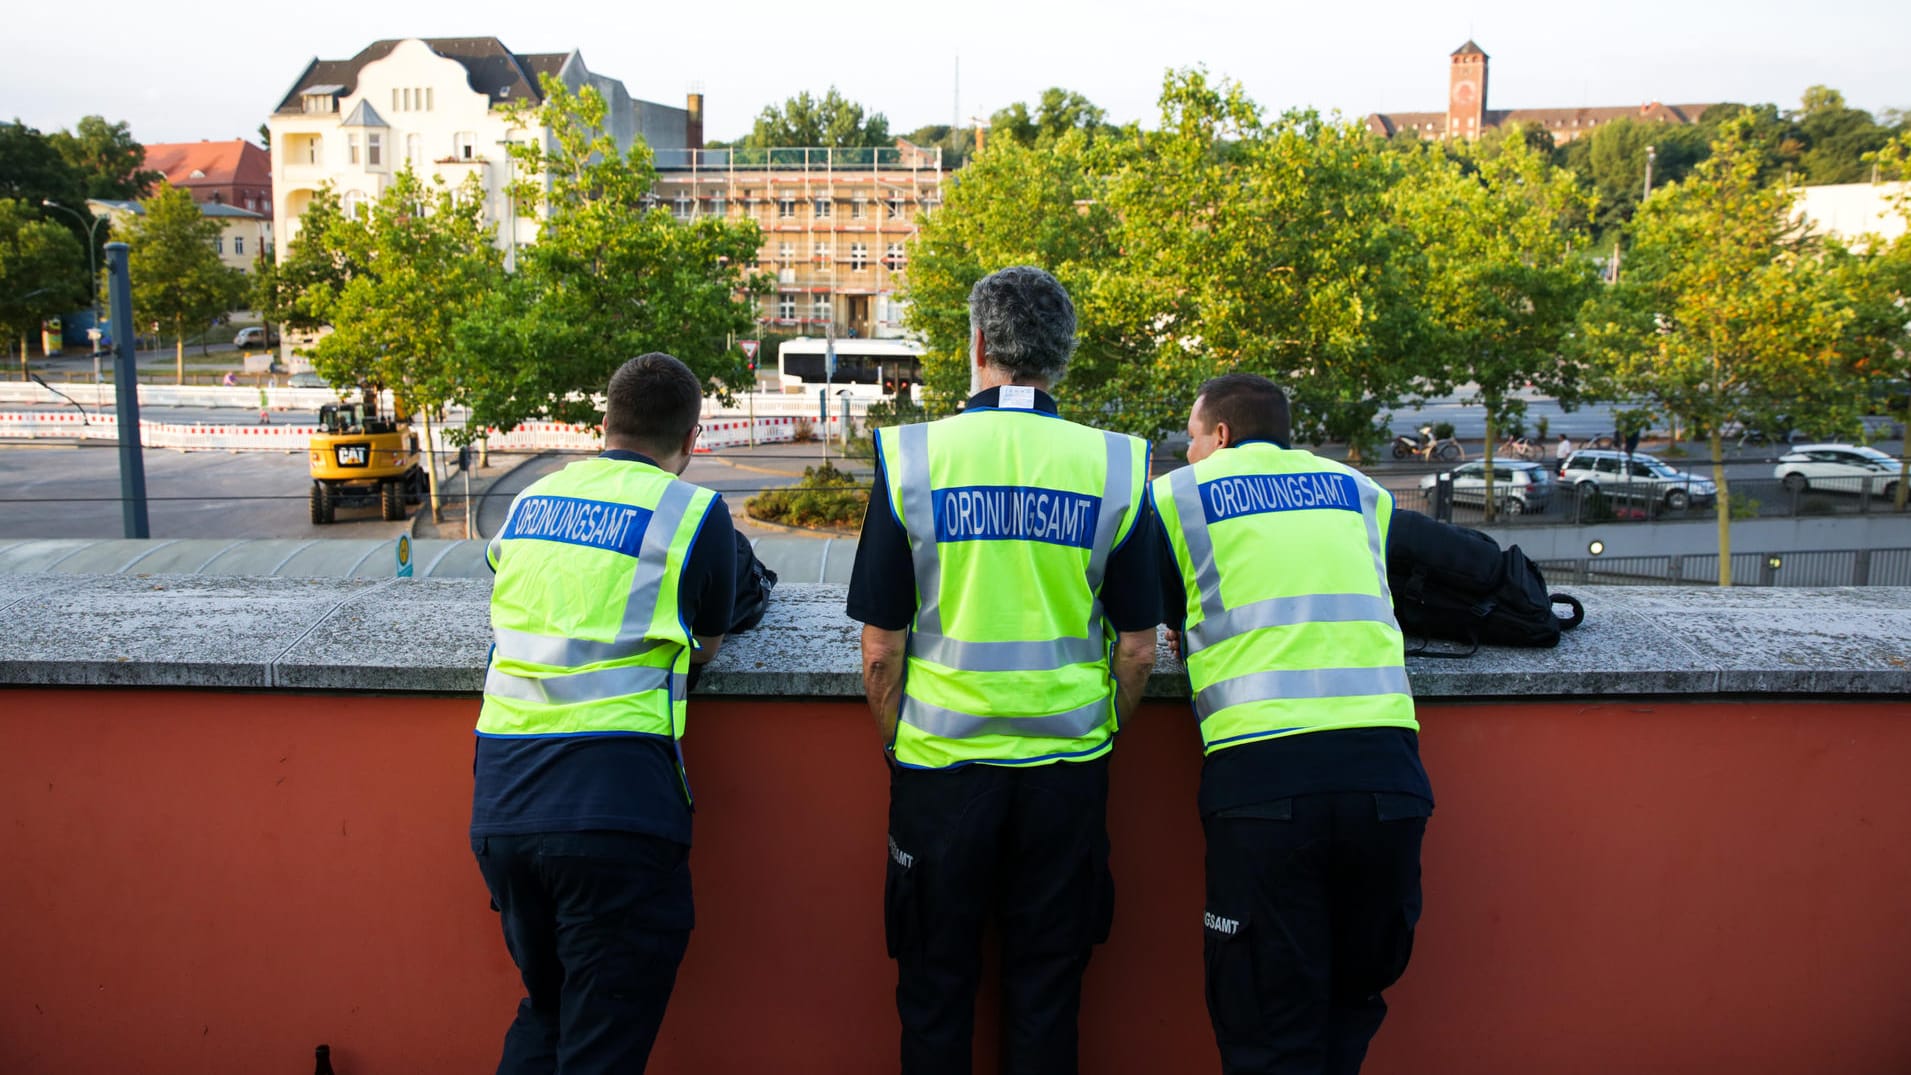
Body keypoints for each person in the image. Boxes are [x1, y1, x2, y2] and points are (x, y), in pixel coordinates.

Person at [848, 266, 1160, 1075]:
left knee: (935, 992)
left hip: (941, 772)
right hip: (1067, 773)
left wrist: (898, 743)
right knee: (1047, 994)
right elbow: (1137, 649)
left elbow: (880, 651)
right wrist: (1101, 732)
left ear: (977, 344)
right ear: (1062, 356)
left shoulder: (910, 456)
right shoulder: (1118, 465)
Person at [1153, 373, 1433, 1075]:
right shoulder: (1360, 492)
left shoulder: (1177, 496)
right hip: (1387, 781)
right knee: (1350, 1003)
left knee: (1264, 1028)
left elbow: (1139, 617)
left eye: (1190, 438)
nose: (1187, 452)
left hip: (1262, 787)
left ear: (1218, 435)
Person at [471, 352, 736, 1074]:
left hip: (504, 806)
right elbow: (704, 644)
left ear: (603, 425)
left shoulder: (528, 502)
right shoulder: (691, 511)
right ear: (691, 440)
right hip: (616, 810)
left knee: (547, 1011)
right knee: (601, 1046)